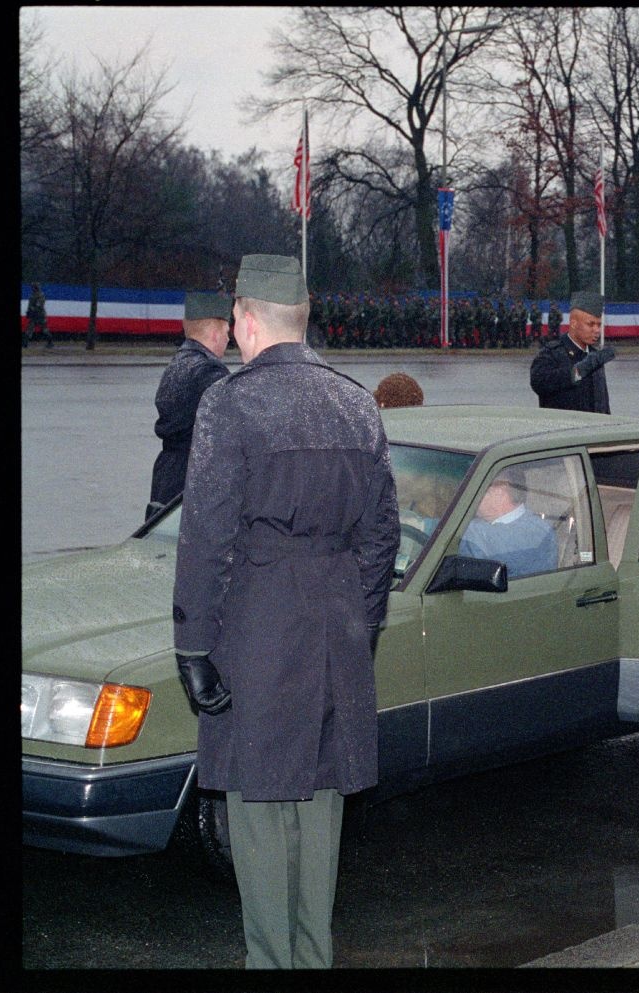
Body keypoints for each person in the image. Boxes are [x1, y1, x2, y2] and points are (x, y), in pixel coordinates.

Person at [172, 254, 399, 968]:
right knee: (319, 819)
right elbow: (382, 537)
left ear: (244, 319)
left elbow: (206, 536)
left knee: (261, 821)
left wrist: (193, 645)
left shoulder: (231, 404)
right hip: (335, 632)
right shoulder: (358, 403)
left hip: (259, 633)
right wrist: (354, 621)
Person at [146, 291, 233, 521]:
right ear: (215, 333)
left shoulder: (179, 362)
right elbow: (232, 429)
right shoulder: (209, 371)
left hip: (166, 477)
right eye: (226, 332)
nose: (228, 338)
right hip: (190, 482)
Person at [529, 289, 615, 413]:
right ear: (574, 324)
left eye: (599, 324)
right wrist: (579, 371)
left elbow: (601, 404)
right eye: (590, 324)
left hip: (594, 429)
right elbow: (539, 384)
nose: (596, 330)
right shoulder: (551, 353)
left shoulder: (594, 355)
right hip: (566, 429)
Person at [459, 475, 558, 579]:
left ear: (499, 492)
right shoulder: (541, 527)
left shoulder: (528, 533)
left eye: (477, 489)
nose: (471, 496)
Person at [25, 282, 52, 349]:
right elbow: (30, 304)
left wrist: (32, 309)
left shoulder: (41, 295)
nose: (32, 288)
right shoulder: (33, 295)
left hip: (40, 316)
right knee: (29, 329)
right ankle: (25, 344)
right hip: (34, 316)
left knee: (44, 330)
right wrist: (29, 311)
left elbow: (39, 305)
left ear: (36, 288)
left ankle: (50, 342)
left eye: (33, 287)